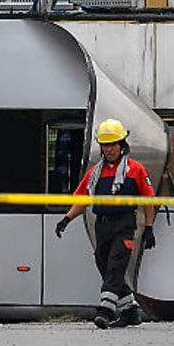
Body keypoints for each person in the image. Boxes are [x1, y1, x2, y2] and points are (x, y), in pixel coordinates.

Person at [54, 118, 157, 328]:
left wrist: (148, 228)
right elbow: (83, 199)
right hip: (102, 226)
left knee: (115, 266)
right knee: (105, 265)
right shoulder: (95, 173)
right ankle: (130, 312)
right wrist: (66, 219)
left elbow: (149, 201)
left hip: (124, 225)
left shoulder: (135, 170)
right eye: (105, 145)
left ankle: (105, 310)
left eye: (113, 144)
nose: (109, 149)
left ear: (122, 145)